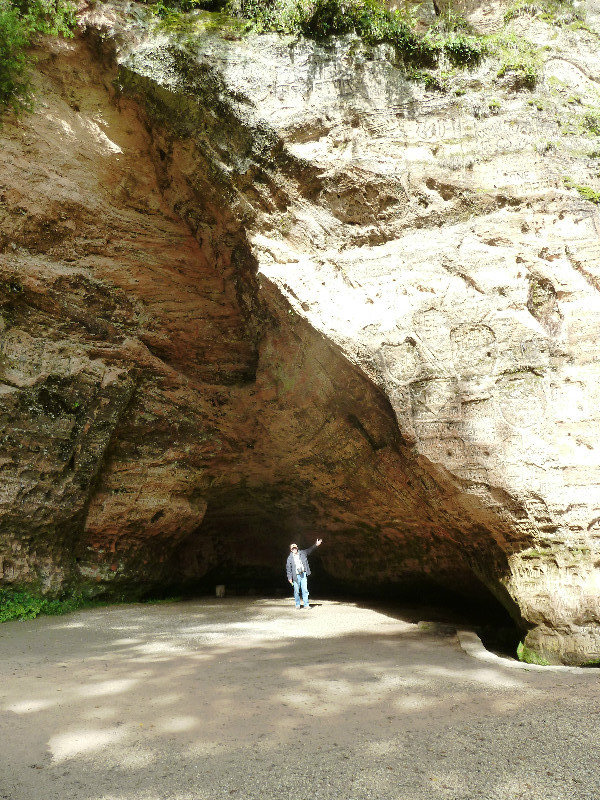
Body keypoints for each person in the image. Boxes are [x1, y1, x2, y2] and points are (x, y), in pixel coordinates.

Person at [286, 539, 322, 609]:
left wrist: (316, 545)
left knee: (305, 590)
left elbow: (310, 550)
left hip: (303, 574)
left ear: (297, 548)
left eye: (295, 548)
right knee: (296, 591)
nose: (294, 549)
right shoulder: (289, 558)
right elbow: (288, 569)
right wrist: (289, 578)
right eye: (293, 549)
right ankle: (297, 604)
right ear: (291, 550)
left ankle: (306, 604)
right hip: (295, 576)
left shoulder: (303, 553)